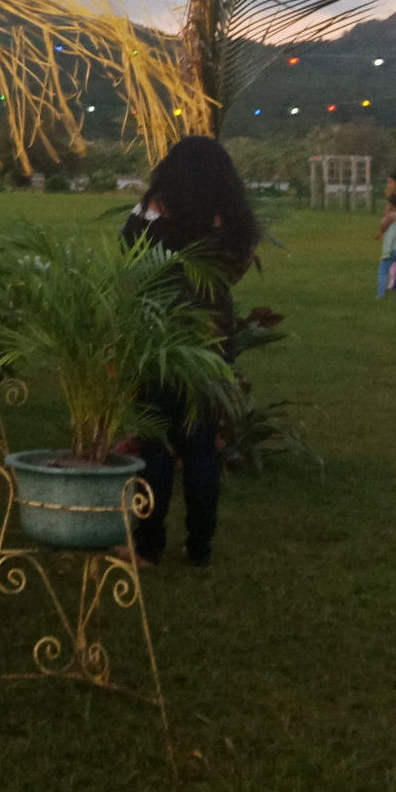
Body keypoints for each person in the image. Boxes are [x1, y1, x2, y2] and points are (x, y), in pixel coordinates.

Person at [120, 136, 258, 567]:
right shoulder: (231, 222)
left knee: (156, 445)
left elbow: (129, 271)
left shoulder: (147, 216)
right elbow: (234, 273)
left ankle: (148, 547)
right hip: (212, 341)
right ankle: (199, 550)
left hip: (158, 338)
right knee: (200, 447)